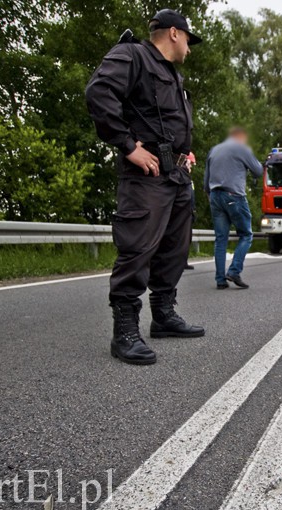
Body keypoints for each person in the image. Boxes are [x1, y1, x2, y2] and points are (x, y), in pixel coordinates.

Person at [85, 9, 205, 365]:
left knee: (174, 249)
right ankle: (124, 332)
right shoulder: (132, 55)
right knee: (137, 249)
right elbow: (99, 93)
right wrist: (129, 146)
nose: (189, 47)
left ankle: (164, 316)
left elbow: (164, 120)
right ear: (173, 33)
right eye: (188, 39)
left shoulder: (173, 75)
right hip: (146, 176)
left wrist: (185, 150)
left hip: (176, 175)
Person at [204, 127, 263, 289]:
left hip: (215, 196)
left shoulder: (214, 150)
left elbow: (205, 182)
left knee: (220, 239)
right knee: (246, 234)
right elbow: (258, 171)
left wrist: (212, 198)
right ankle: (234, 270)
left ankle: (220, 280)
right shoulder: (241, 148)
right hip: (234, 196)